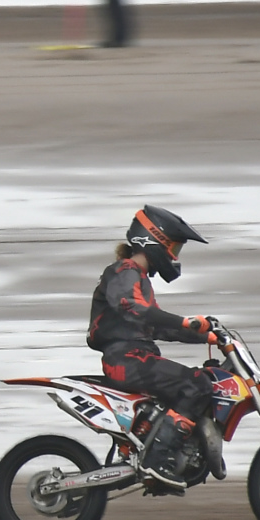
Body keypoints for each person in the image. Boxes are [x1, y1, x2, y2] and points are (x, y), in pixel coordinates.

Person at [86, 204, 221, 488]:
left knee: (200, 381)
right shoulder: (125, 271)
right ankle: (157, 460)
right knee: (197, 385)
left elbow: (155, 326)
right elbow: (133, 308)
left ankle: (164, 450)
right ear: (155, 240)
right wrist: (186, 322)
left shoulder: (139, 278)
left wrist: (206, 337)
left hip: (134, 358)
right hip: (126, 360)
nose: (175, 256)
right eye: (174, 248)